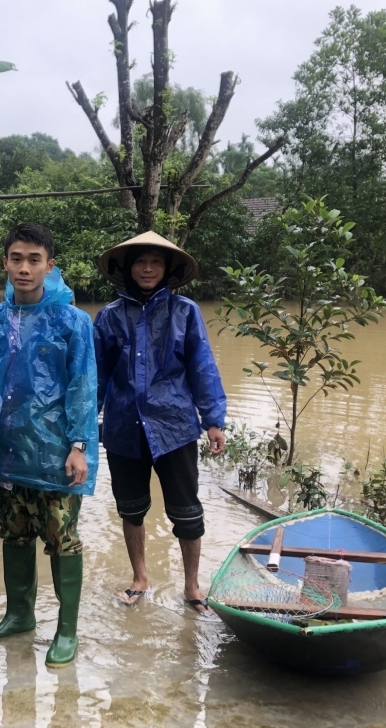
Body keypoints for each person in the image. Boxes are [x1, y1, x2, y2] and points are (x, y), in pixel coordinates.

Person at [0, 222, 98, 668]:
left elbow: (83, 385)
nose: (24, 268)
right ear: (5, 262)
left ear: (50, 265)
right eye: (16, 258)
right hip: (7, 452)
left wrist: (79, 445)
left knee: (63, 540)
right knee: (14, 533)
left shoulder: (72, 321)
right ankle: (19, 615)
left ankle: (67, 630)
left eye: (33, 259)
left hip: (56, 455)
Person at [93, 232, 227, 612]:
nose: (147, 268)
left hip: (176, 427)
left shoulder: (185, 312)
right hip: (123, 427)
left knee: (186, 510)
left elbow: (203, 367)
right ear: (127, 269)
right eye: (139, 261)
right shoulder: (108, 316)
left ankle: (192, 586)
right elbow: (97, 376)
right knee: (130, 508)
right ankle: (139, 578)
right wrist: (84, 427)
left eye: (155, 261)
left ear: (168, 268)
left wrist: (213, 420)